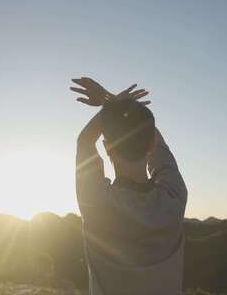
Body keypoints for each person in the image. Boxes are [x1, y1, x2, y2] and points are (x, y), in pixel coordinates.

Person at [70, 77, 188, 295]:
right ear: (151, 144)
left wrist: (112, 105)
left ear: (106, 148)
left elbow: (84, 140)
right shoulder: (175, 196)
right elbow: (154, 138)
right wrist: (113, 102)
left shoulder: (96, 203)